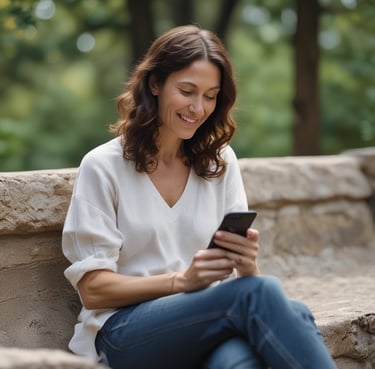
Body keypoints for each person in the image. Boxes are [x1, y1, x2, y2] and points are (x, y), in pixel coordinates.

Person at [62, 25, 337, 369]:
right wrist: (182, 282)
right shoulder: (103, 166)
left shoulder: (220, 162)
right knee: (274, 300)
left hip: (206, 322)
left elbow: (242, 282)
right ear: (155, 84)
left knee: (244, 357)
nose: (198, 107)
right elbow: (93, 289)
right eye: (187, 91)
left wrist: (247, 263)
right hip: (124, 332)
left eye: (210, 96)